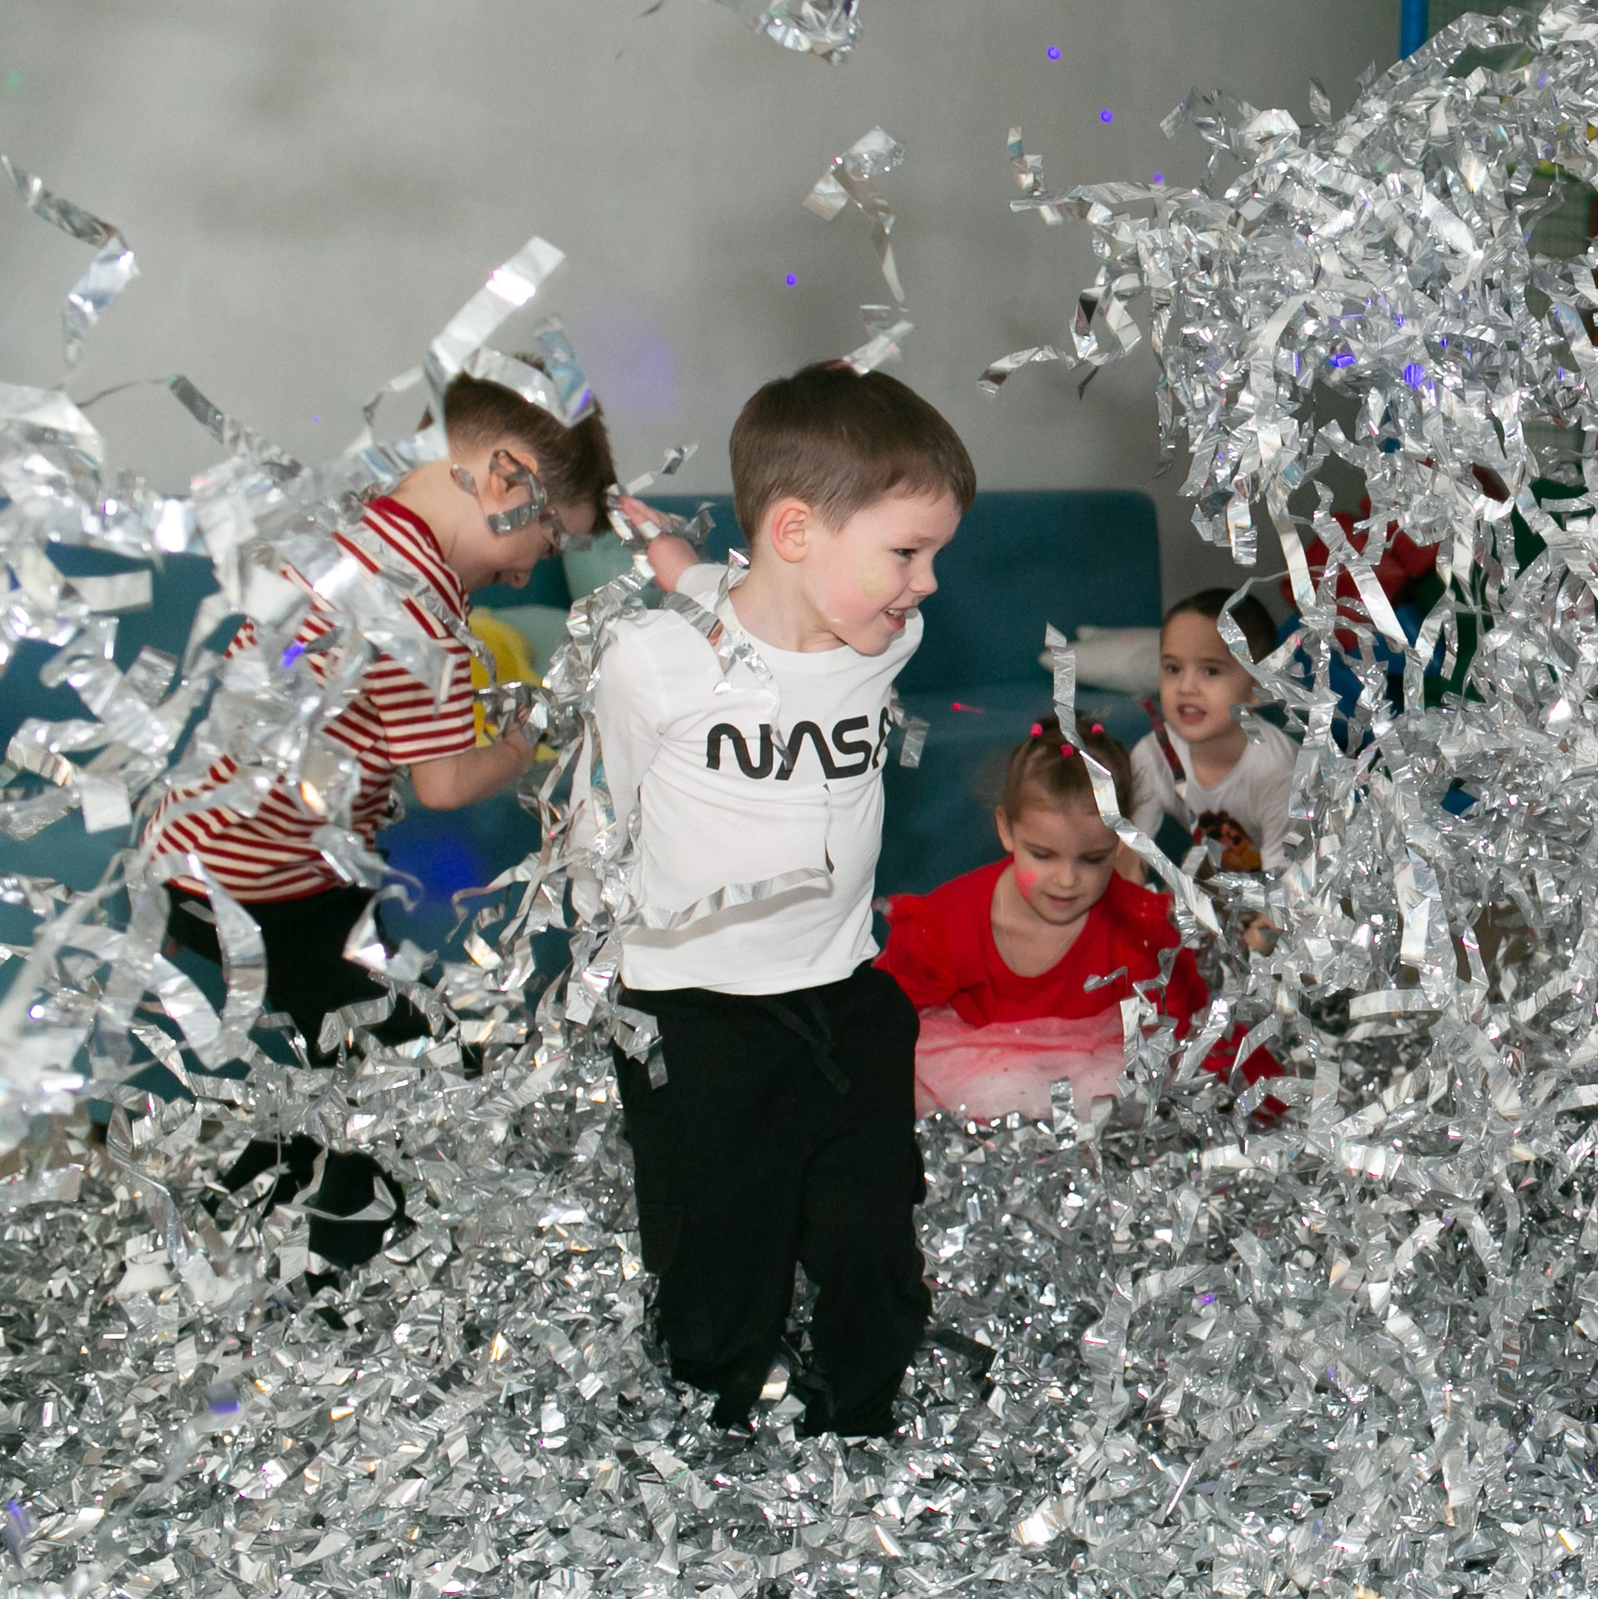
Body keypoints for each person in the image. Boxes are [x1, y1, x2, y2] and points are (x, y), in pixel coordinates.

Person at [145, 373, 611, 1268]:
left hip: (210, 856)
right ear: (507, 481)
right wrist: (526, 741)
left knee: (354, 1057)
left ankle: (243, 1205)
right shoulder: (420, 607)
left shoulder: (355, 530)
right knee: (393, 1073)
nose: (532, 566)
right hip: (261, 884)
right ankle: (337, 1290)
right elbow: (439, 786)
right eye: (551, 535)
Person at [590, 362, 971, 1438]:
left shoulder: (884, 640)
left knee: (869, 1236)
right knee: (720, 1249)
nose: (928, 584)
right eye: (906, 552)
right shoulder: (652, 667)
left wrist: (680, 558)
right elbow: (607, 812)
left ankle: (860, 1414)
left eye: (933, 553)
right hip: (697, 1014)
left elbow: (724, 579)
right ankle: (711, 1432)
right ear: (798, 532)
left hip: (844, 995)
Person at [877, 715, 1278, 1120]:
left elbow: (1202, 1021)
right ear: (1006, 831)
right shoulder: (946, 927)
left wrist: (1271, 1108)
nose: (1066, 880)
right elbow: (876, 1018)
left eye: (1092, 859)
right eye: (1042, 854)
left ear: (1120, 843)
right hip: (968, 1087)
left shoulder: (1138, 930)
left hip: (1094, 1087)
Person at [1130, 588, 1297, 872]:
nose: (1185, 687)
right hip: (1234, 874)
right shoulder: (1154, 754)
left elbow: (1288, 895)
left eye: (1210, 671)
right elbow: (1129, 860)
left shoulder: (1279, 772)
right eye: (1173, 669)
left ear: (1258, 686)